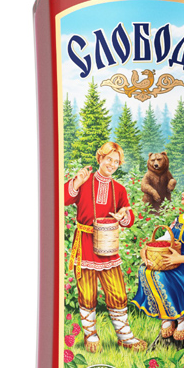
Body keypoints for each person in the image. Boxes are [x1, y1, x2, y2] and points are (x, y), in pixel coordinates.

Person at [64, 141, 147, 353]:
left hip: (108, 246)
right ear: (100, 158)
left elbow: (129, 217)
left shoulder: (119, 189)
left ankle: (124, 336)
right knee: (87, 291)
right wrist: (76, 182)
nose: (112, 164)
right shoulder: (84, 182)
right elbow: (63, 198)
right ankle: (90, 334)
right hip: (85, 243)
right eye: (109, 159)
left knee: (117, 291)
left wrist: (122, 216)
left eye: (116, 162)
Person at [132, 173, 184, 340]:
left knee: (162, 275)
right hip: (173, 261)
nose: (182, 194)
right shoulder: (178, 220)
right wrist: (146, 250)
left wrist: (178, 259)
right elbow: (165, 239)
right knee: (144, 270)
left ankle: (183, 316)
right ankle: (166, 314)